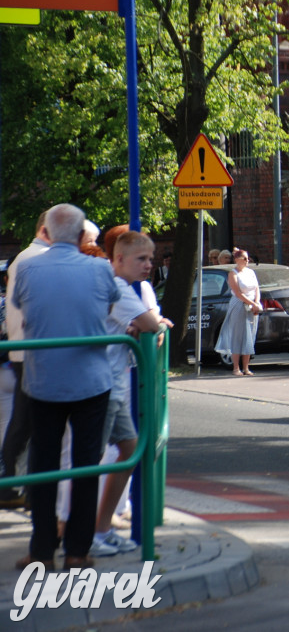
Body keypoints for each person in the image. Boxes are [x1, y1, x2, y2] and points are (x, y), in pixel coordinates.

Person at [12, 204, 120, 571]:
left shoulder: (24, 267)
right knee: (85, 465)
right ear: (78, 236)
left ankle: (41, 550)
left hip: (42, 381)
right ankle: (77, 551)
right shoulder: (99, 268)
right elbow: (108, 304)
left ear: (47, 232)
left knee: (42, 466)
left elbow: (21, 306)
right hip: (91, 381)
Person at [92, 230, 173, 558]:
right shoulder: (120, 287)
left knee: (129, 449)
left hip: (115, 383)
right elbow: (151, 323)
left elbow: (137, 324)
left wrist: (142, 325)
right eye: (141, 259)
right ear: (119, 258)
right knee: (90, 461)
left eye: (151, 259)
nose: (148, 265)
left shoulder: (122, 286)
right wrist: (157, 323)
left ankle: (101, 527)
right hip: (104, 385)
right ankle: (85, 533)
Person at [0, 213, 49, 507]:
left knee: (25, 420)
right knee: (27, 421)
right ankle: (16, 486)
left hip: (24, 349)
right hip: (32, 351)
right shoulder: (36, 259)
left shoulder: (26, 258)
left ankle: (15, 485)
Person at [214, 248, 261, 376]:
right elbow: (238, 293)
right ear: (237, 260)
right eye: (244, 258)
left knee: (249, 335)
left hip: (252, 306)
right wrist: (251, 303)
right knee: (237, 335)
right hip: (239, 305)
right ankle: (236, 367)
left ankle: (246, 367)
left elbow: (257, 288)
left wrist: (256, 303)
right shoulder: (233, 274)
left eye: (247, 258)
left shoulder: (251, 272)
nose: (247, 261)